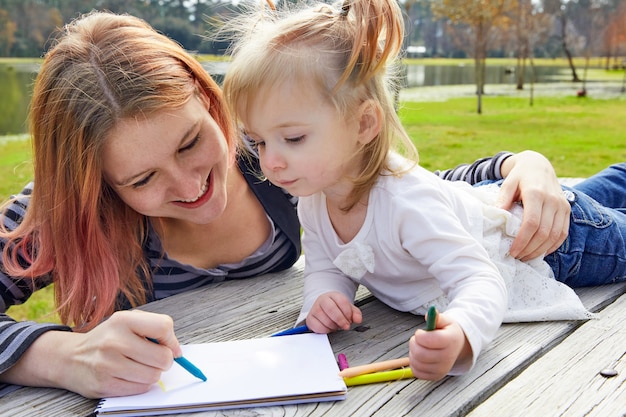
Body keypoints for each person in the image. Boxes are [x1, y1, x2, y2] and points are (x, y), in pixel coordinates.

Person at [0, 10, 601, 399]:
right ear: (97, 185)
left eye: (191, 142)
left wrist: (516, 165)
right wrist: (62, 356)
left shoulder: (265, 154)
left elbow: (394, 186)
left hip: (517, 234)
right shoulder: (61, 217)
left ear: (210, 103)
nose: (189, 185)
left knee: (599, 206)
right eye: (141, 180)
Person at [221, 0, 626, 381]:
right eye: (258, 142)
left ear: (363, 124)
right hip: (489, 201)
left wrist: (462, 334)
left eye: (292, 138)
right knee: (602, 191)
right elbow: (328, 265)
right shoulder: (314, 194)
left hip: (553, 240)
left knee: (602, 220)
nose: (270, 160)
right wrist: (323, 299)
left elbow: (480, 281)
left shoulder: (404, 202)